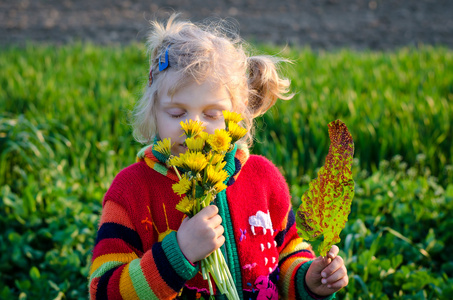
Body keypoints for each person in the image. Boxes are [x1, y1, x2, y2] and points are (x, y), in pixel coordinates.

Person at [89, 13, 348, 299]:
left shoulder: (263, 179)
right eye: (177, 113)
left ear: (236, 115)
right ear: (153, 111)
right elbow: (103, 291)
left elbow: (287, 252)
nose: (195, 127)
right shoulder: (131, 191)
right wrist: (179, 253)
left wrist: (308, 279)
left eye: (212, 114)